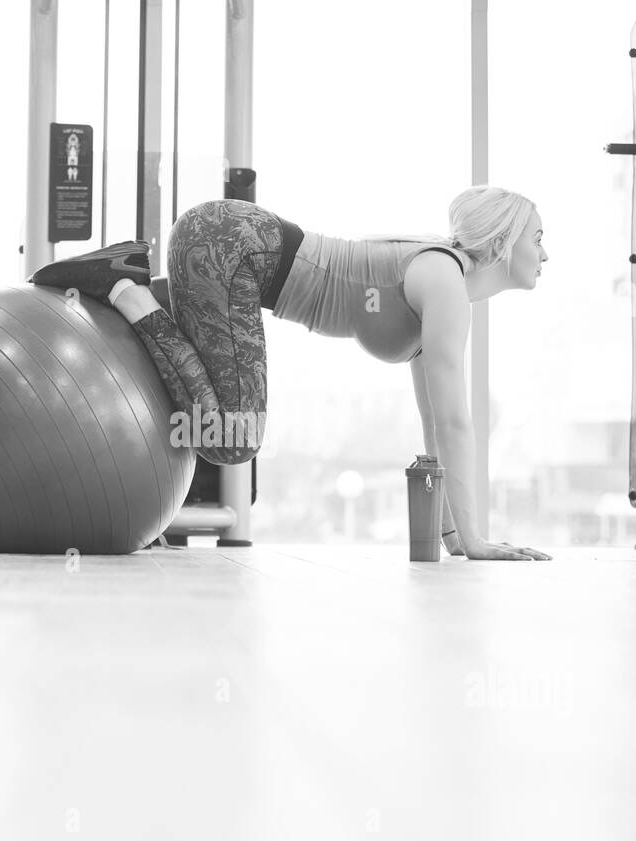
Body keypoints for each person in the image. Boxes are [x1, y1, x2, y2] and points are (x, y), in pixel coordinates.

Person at [29, 186, 551, 561]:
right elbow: (459, 423)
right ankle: (124, 289)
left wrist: (455, 534)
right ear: (504, 242)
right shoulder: (445, 281)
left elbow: (436, 423)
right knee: (233, 439)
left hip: (230, 246)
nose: (545, 253)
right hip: (231, 246)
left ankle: (130, 282)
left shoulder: (442, 282)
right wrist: (478, 541)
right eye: (538, 237)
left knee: (229, 432)